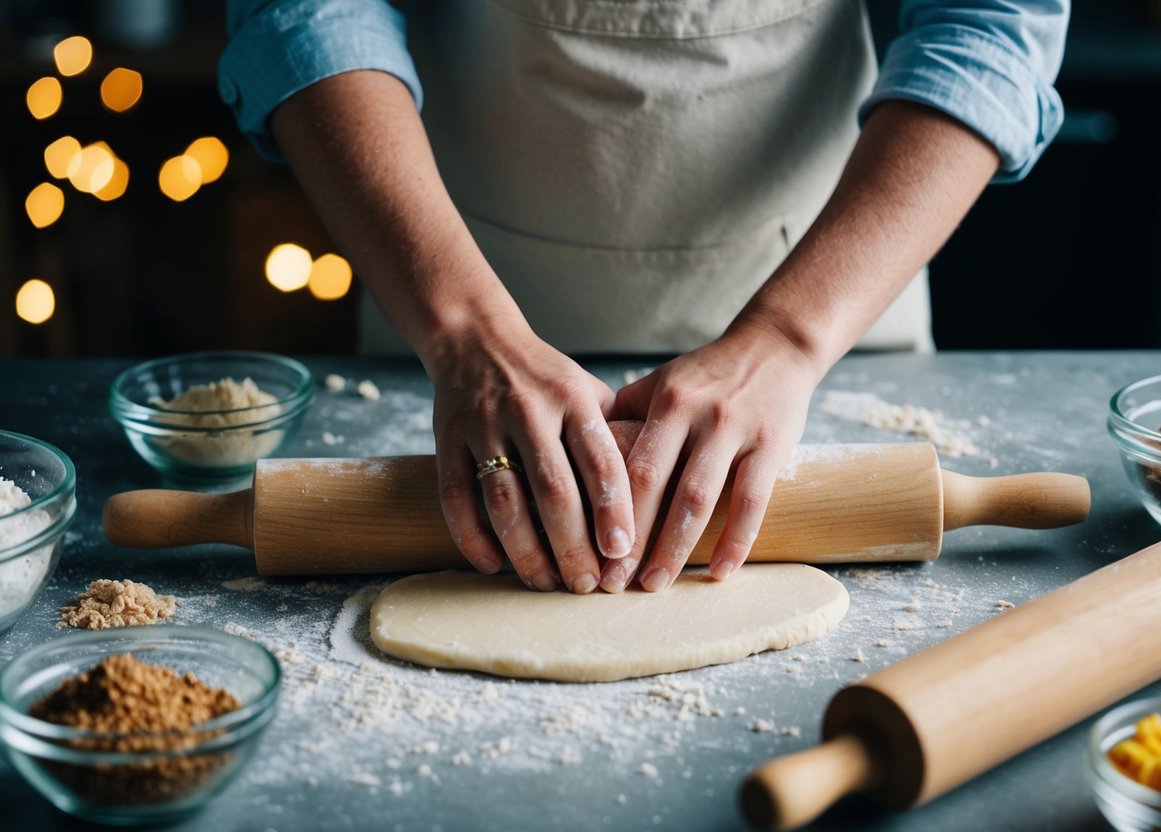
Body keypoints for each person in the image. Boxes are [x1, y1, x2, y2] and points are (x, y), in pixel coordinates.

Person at [220, 0, 1068, 596]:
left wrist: (788, 336)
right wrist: (461, 329)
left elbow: (989, 24)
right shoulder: (452, 323)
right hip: (445, 289)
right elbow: (304, 10)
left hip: (835, 292)